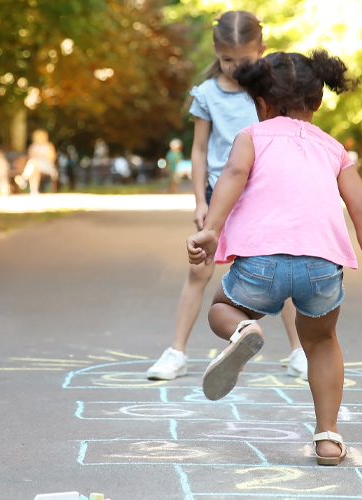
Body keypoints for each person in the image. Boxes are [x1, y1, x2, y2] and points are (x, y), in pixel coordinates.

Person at [185, 49, 362, 466]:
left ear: (261, 102)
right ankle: (329, 438)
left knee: (222, 309)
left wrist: (211, 229)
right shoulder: (333, 149)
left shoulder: (252, 136)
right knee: (320, 342)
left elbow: (232, 176)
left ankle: (244, 329)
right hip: (320, 267)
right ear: (317, 101)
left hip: (261, 261)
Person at [145, 10, 309, 382]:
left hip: (262, 196)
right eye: (227, 60)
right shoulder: (206, 94)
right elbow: (200, 150)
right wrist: (200, 201)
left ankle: (299, 351)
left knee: (277, 275)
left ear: (262, 51)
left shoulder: (270, 91)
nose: (235, 68)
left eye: (244, 60)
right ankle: (176, 353)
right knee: (198, 273)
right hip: (218, 195)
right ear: (217, 53)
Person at [16, 129, 58, 195]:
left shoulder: (49, 146)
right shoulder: (33, 146)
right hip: (36, 166)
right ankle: (34, 190)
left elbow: (52, 158)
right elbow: (31, 157)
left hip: (47, 166)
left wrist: (42, 155)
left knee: (33, 164)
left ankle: (24, 178)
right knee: (34, 167)